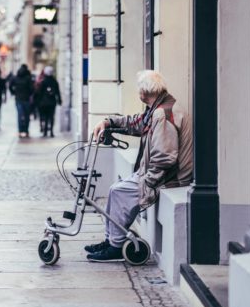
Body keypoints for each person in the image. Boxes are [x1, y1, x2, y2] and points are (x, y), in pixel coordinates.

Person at [84, 70, 193, 262]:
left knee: (119, 191)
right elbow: (135, 123)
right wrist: (108, 122)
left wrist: (148, 181)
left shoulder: (163, 113)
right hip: (156, 173)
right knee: (114, 190)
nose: (137, 93)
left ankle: (116, 246)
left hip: (167, 177)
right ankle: (111, 240)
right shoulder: (157, 108)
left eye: (139, 89)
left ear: (145, 91)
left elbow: (165, 156)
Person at [35, 66, 61, 137]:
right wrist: (59, 100)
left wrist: (38, 101)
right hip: (52, 102)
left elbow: (39, 92)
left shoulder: (43, 81)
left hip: (44, 102)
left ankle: (45, 131)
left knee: (45, 117)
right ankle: (51, 132)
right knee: (51, 117)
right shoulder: (54, 81)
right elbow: (57, 92)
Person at [10, 64, 34, 138]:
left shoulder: (16, 77)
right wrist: (29, 94)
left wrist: (14, 93)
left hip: (18, 99)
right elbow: (32, 89)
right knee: (26, 115)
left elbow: (10, 86)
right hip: (26, 99)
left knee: (20, 115)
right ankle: (26, 131)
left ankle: (20, 131)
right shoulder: (28, 78)